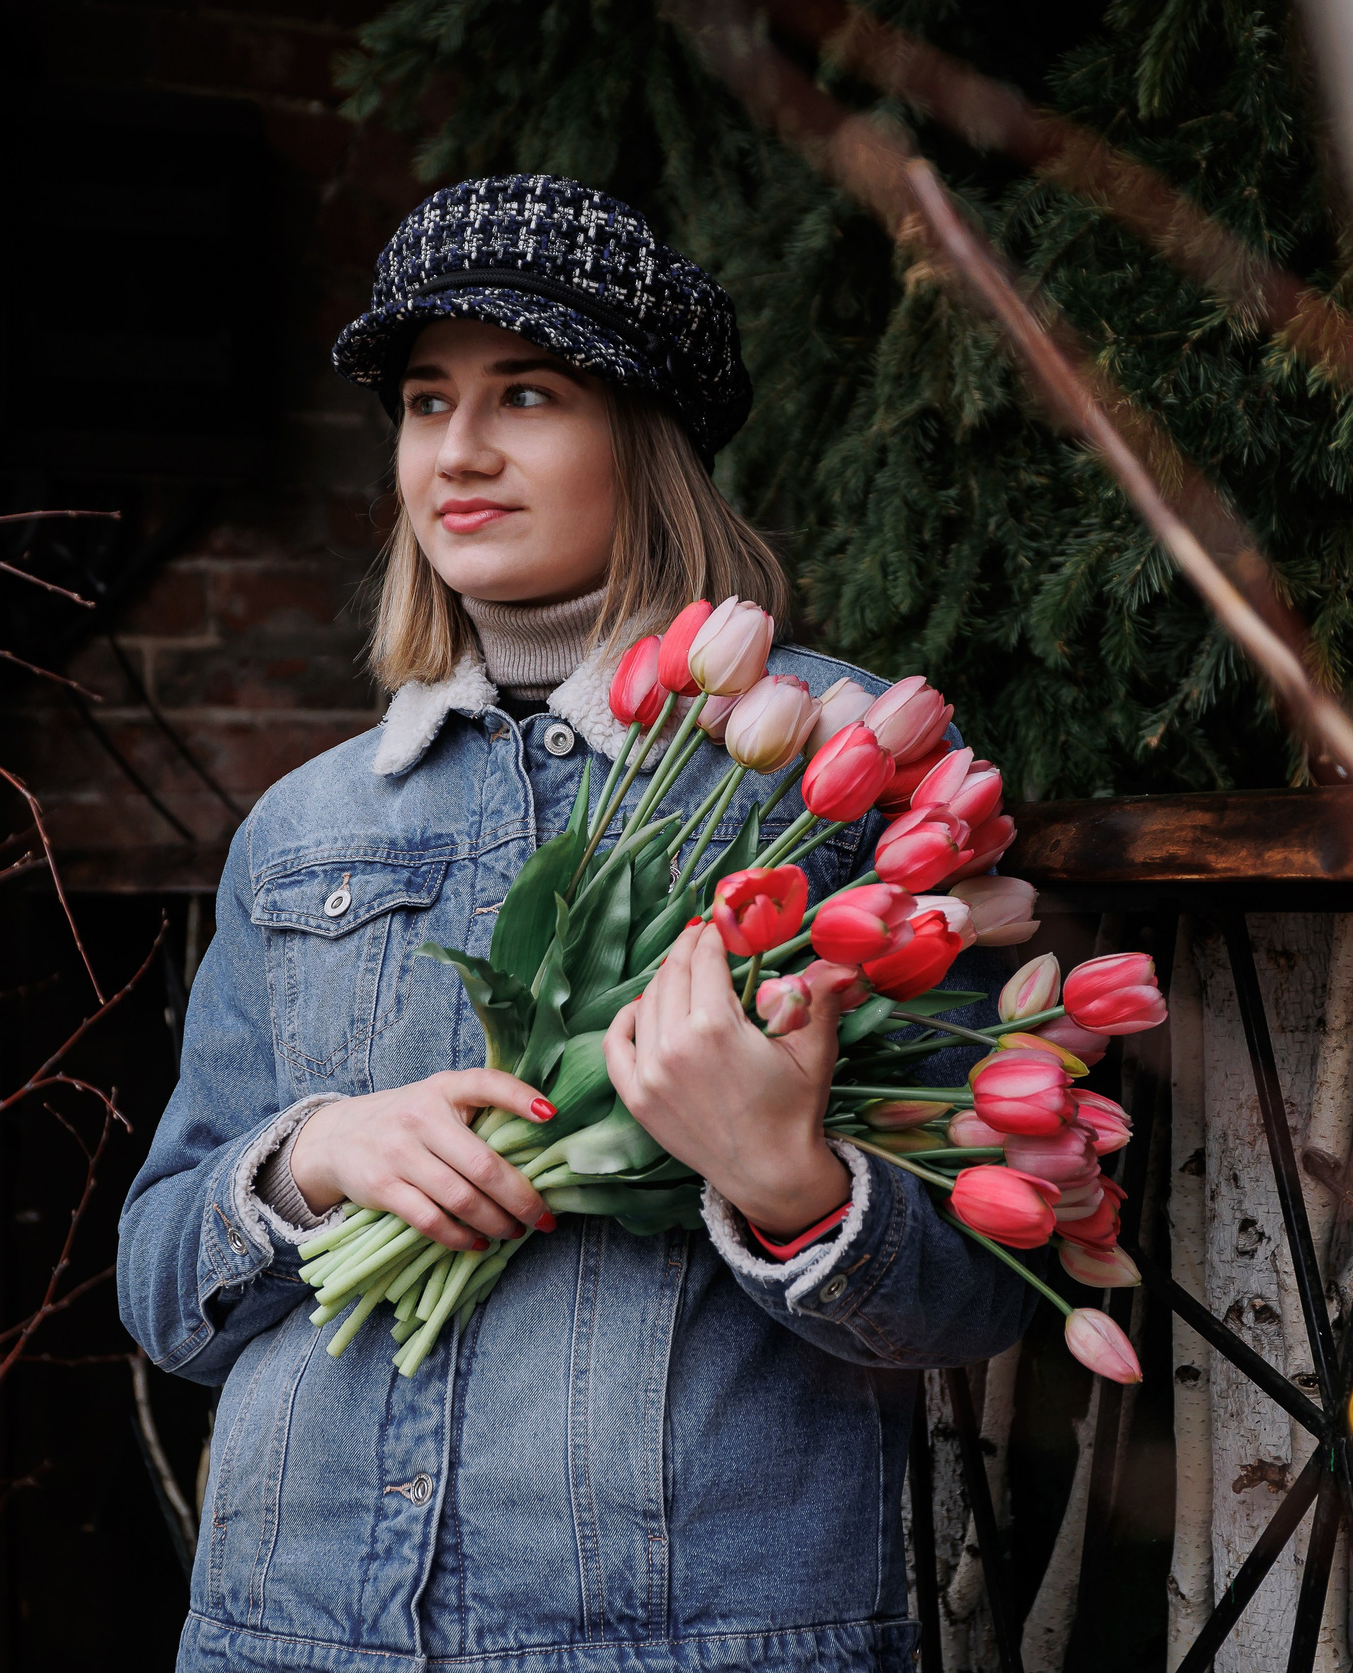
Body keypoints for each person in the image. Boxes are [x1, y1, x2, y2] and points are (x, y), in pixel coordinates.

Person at [117, 173, 1035, 1673]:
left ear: (646, 440)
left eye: (527, 393)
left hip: (684, 1645)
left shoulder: (832, 768)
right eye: (427, 401)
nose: (459, 450)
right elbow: (164, 1292)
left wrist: (791, 1183)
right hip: (290, 1633)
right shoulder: (305, 823)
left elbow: (974, 1294)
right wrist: (314, 1158)